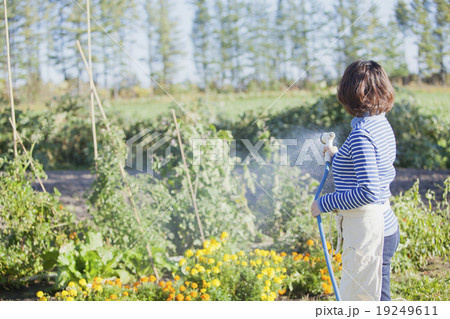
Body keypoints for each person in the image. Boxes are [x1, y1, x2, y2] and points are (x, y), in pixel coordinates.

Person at [310, 60, 400, 301]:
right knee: (375, 297)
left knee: (365, 302)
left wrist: (325, 203)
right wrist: (339, 155)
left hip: (370, 232)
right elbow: (372, 164)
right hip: (381, 225)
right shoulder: (379, 123)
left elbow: (368, 191)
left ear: (350, 93)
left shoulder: (361, 135)